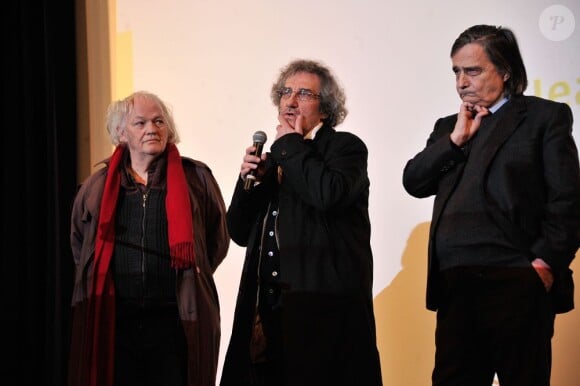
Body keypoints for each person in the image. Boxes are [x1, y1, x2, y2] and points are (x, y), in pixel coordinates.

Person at [402, 24, 580, 386]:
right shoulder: (448, 127)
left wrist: (543, 263)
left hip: (515, 278)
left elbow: (568, 199)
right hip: (455, 282)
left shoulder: (543, 117)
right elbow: (414, 182)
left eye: (473, 70)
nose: (462, 81)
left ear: (505, 70)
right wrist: (455, 140)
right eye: (456, 71)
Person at [220, 59, 383, 386]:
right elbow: (237, 231)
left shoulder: (345, 148)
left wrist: (288, 146)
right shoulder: (276, 159)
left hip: (321, 309)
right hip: (265, 308)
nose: (291, 101)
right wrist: (248, 181)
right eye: (286, 92)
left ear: (325, 109)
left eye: (304, 93)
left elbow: (328, 195)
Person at [67, 91, 230, 386]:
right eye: (140, 123)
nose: (152, 129)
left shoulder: (197, 179)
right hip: (116, 323)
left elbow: (215, 242)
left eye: (158, 121)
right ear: (121, 132)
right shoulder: (96, 186)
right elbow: (82, 248)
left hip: (176, 321)